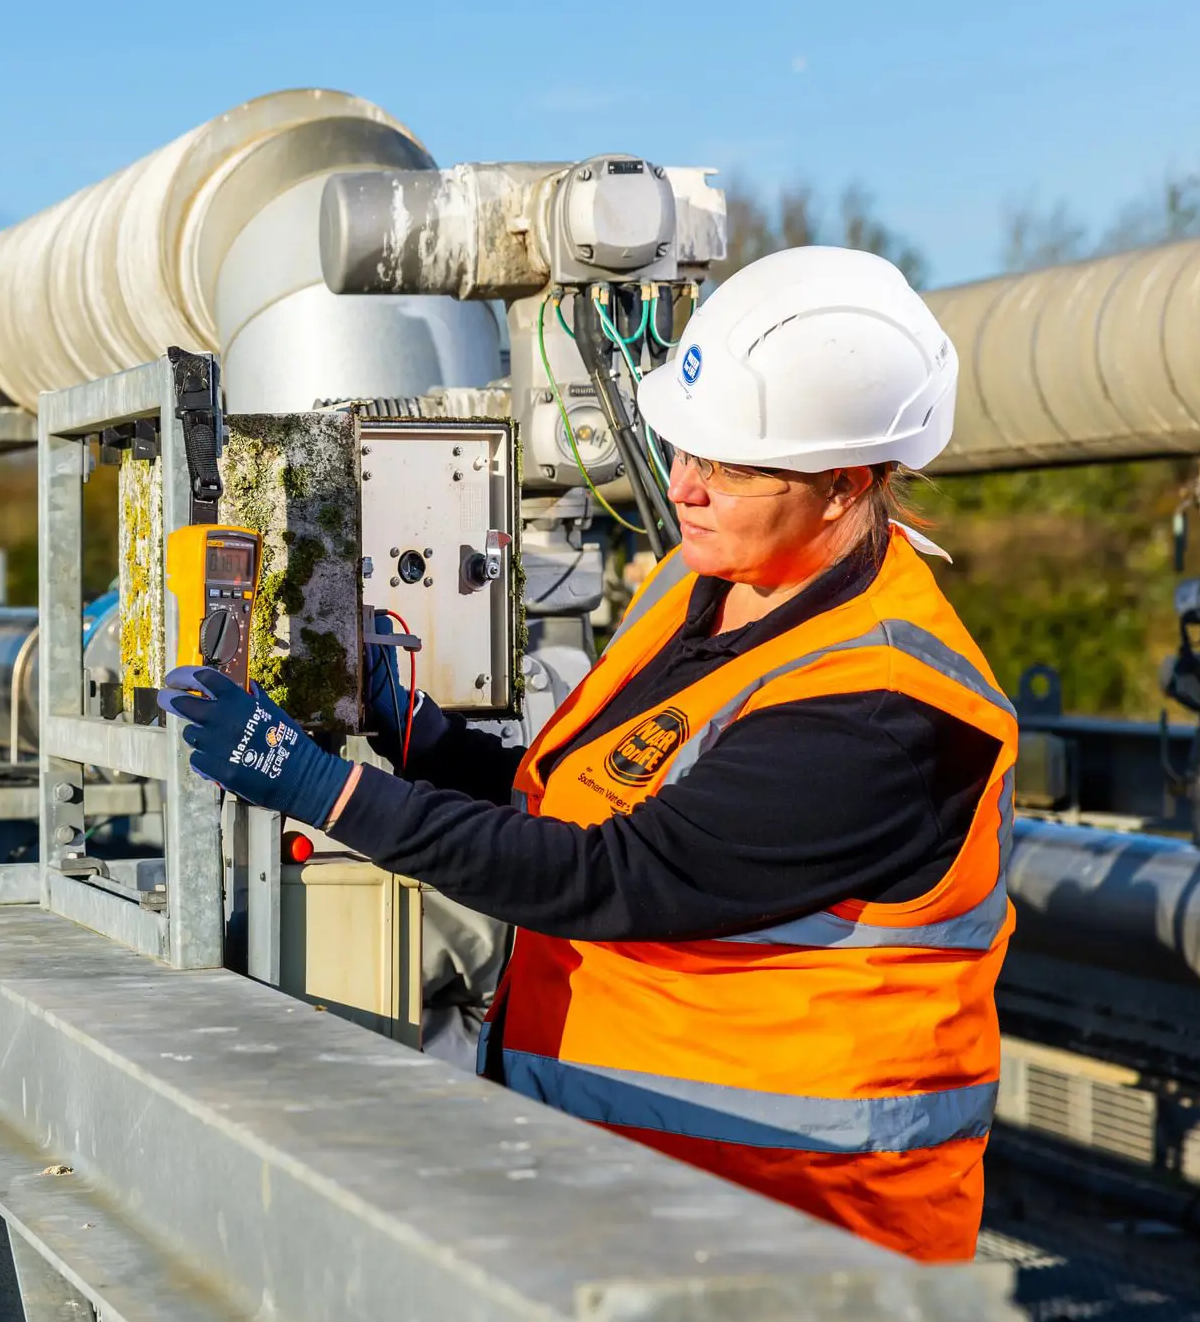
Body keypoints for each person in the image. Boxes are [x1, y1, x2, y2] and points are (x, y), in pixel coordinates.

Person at [162, 245, 1013, 1263]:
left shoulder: (885, 713)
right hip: (635, 1192)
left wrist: (316, 784)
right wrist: (421, 737)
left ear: (843, 484)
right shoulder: (703, 580)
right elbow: (590, 800)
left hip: (804, 1234)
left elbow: (609, 874)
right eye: (680, 447)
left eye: (729, 465)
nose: (686, 488)